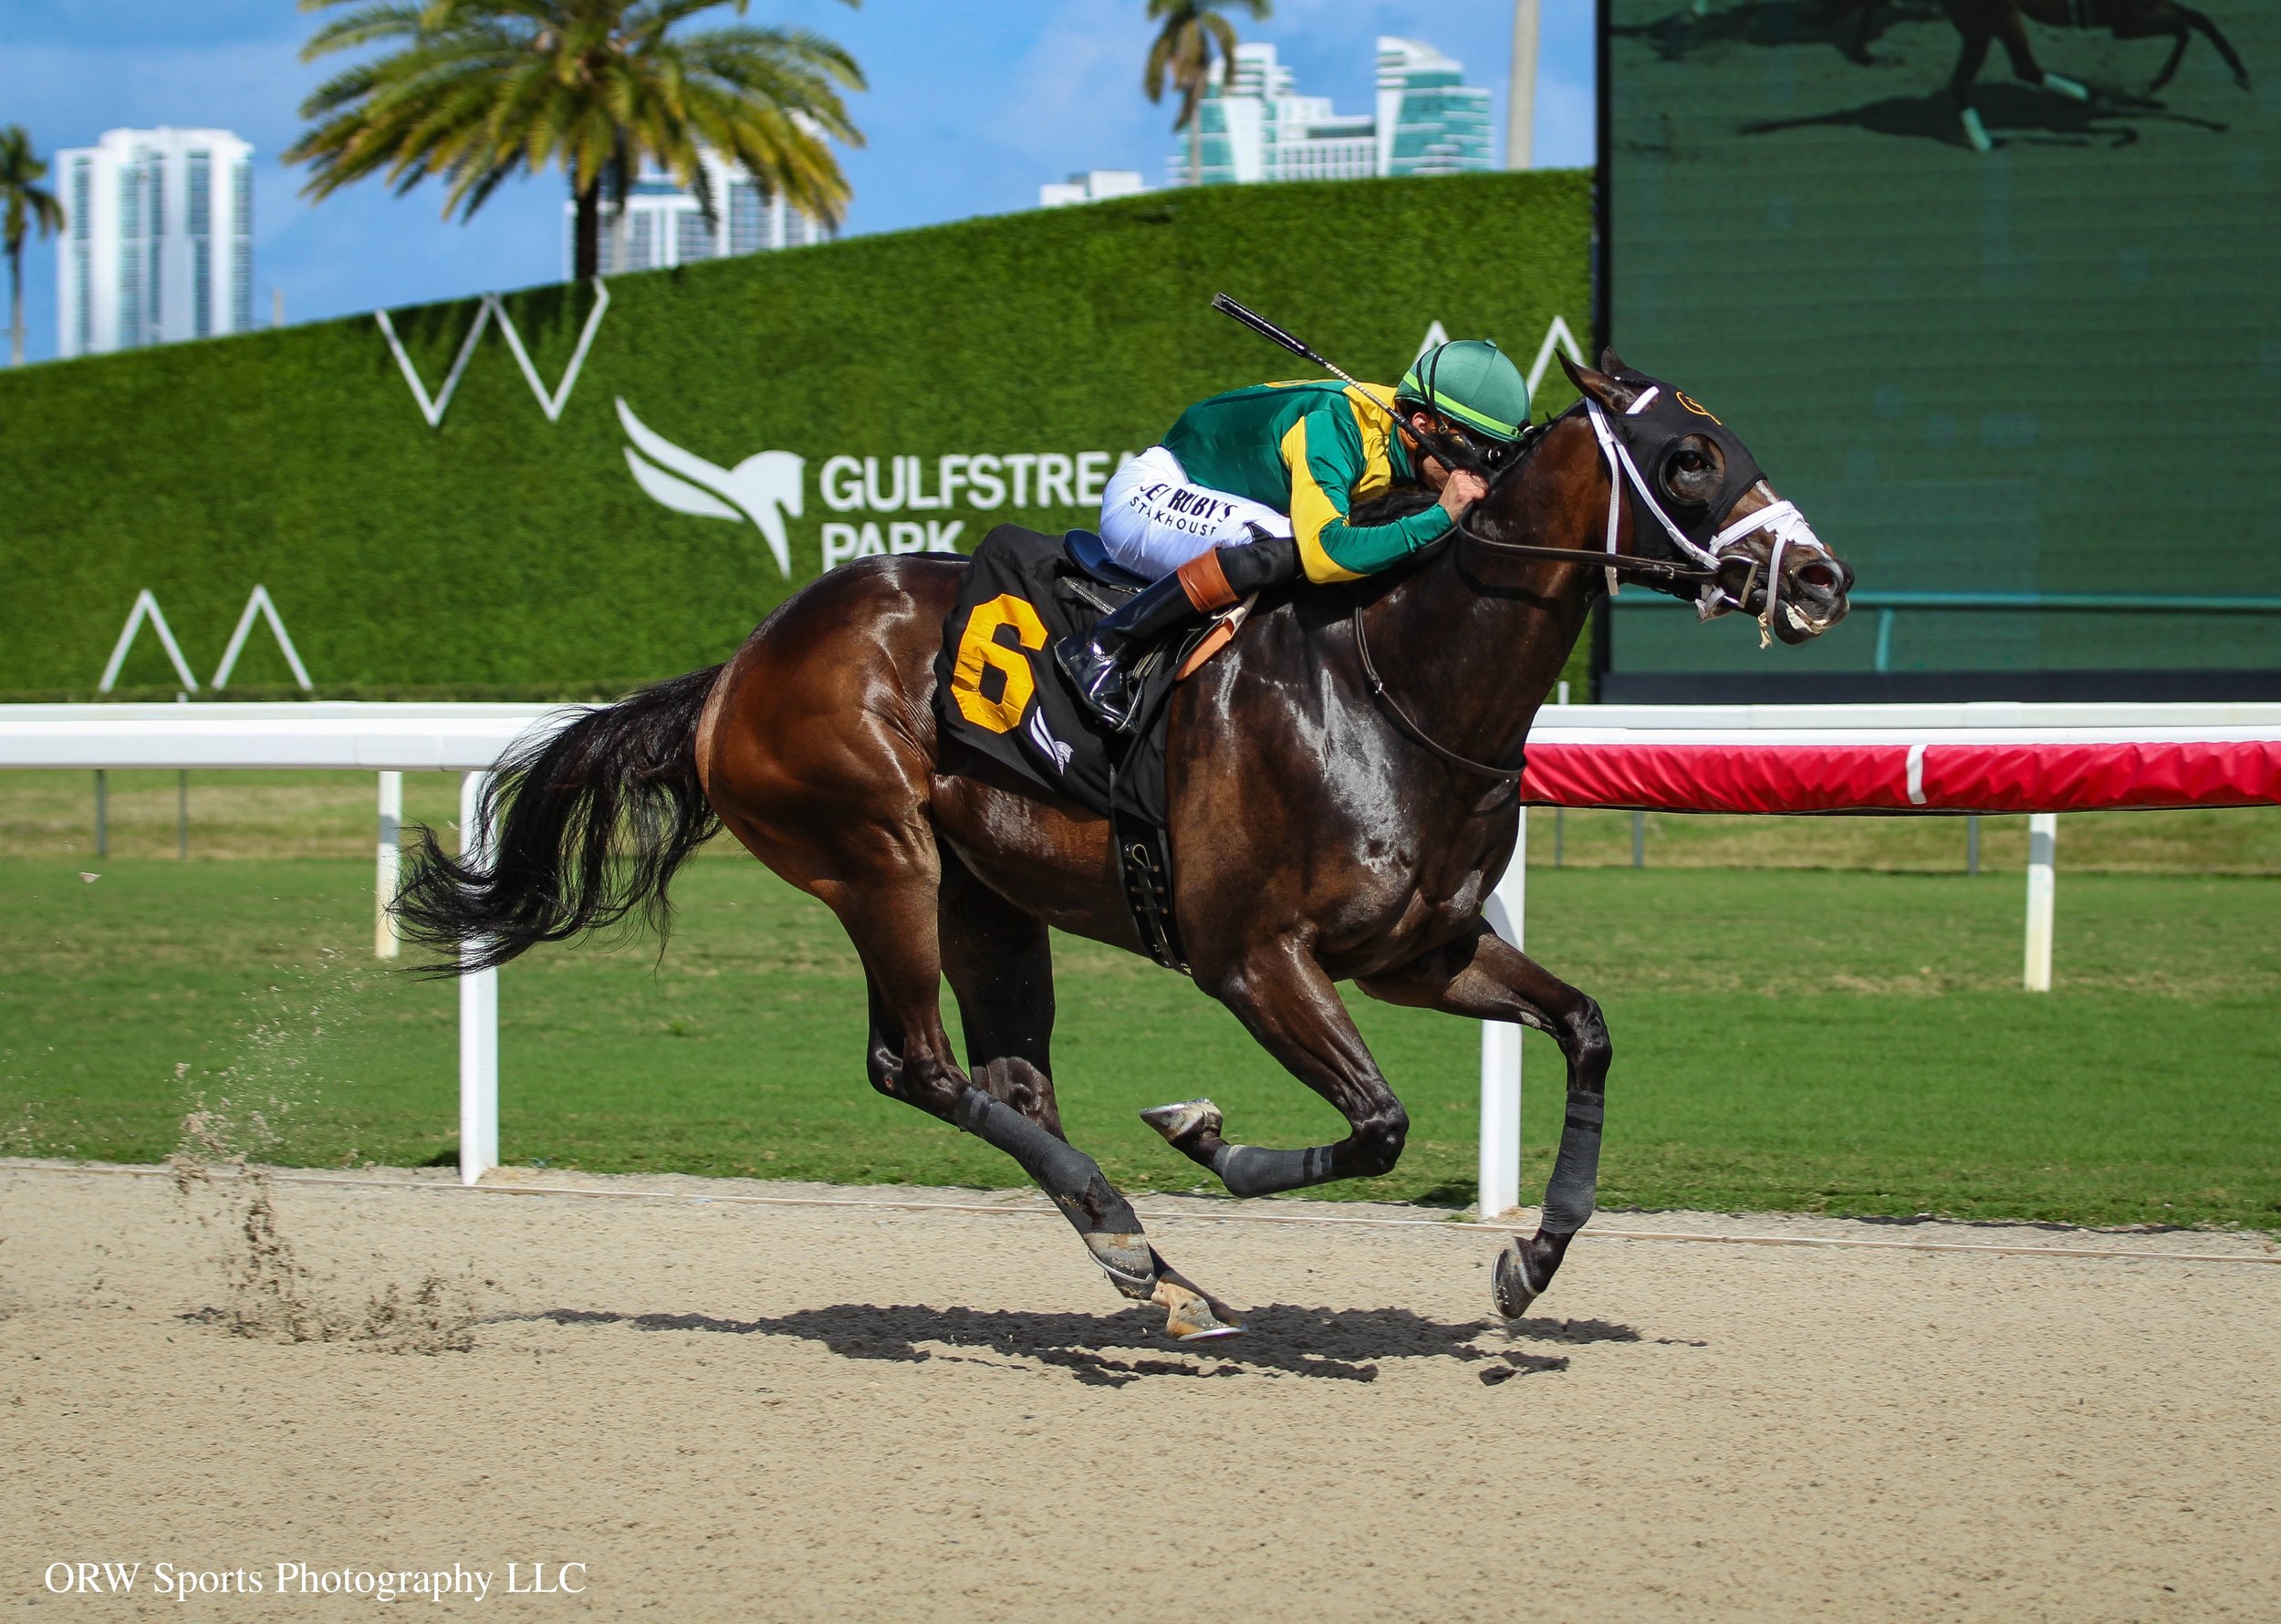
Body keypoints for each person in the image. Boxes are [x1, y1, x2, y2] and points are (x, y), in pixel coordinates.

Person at [1055, 338, 1532, 732]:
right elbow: (1325, 553)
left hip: (1222, 492)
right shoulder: (1333, 428)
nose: (1476, 468)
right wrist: (1438, 516)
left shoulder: (1407, 429)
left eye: (1493, 452)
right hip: (1153, 493)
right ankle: (1103, 647)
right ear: (1421, 427)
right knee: (1285, 544)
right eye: (1472, 449)